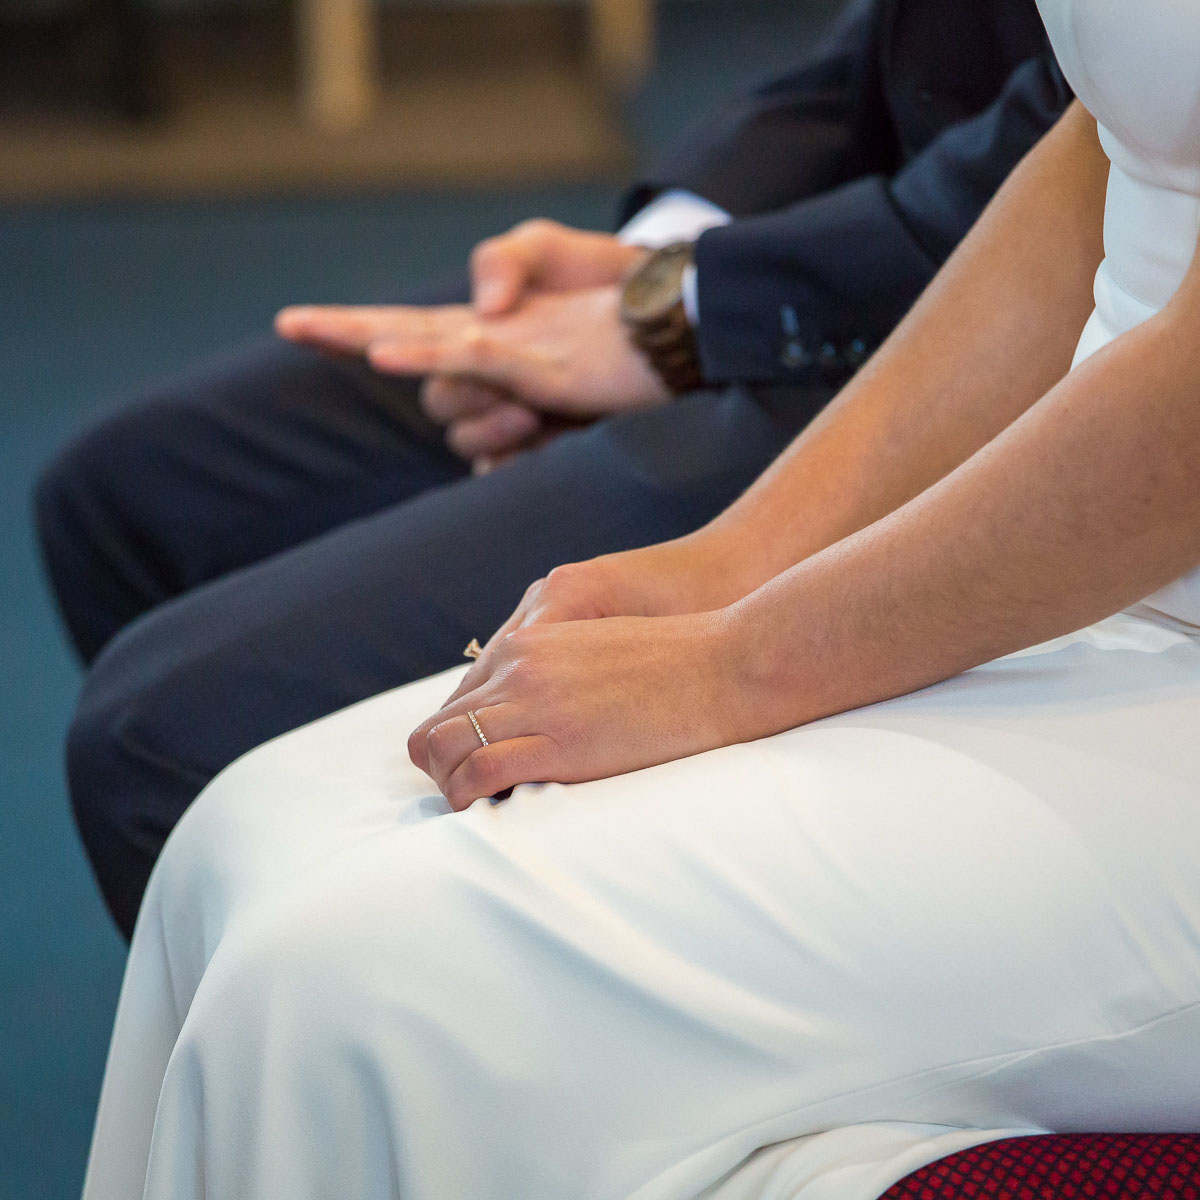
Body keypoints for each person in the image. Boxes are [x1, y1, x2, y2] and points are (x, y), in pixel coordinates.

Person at [79, 0, 1200, 1196]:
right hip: (1079, 565)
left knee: (350, 992)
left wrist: (736, 659)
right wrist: (730, 562)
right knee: (239, 837)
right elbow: (1111, 150)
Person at [34, 0, 1069, 939]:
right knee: (126, 496)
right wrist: (665, 254)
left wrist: (687, 316)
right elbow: (914, 37)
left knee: (151, 740)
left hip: (992, 371)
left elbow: (1081, 153)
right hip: (821, 262)